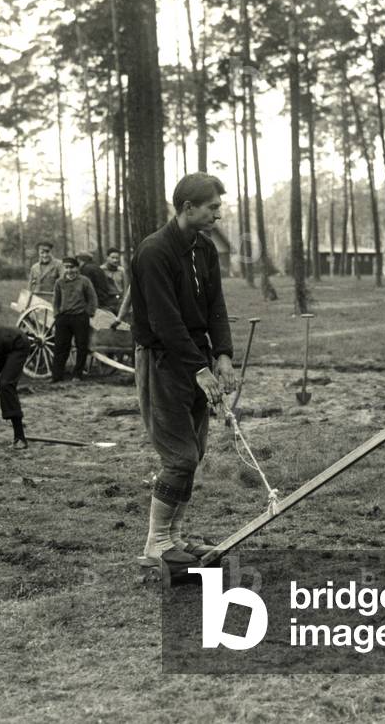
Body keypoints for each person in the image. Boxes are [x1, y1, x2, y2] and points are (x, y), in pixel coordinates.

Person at [131, 172, 237, 567]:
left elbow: (216, 307)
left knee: (195, 450)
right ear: (187, 208)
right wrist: (199, 368)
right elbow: (164, 321)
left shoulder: (204, 249)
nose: (218, 215)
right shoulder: (153, 252)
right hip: (164, 361)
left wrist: (222, 354)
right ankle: (156, 544)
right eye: (212, 208)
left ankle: (173, 538)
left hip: (196, 360)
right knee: (179, 457)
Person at [51, 256, 97, 382]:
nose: (69, 270)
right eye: (66, 267)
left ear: (77, 268)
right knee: (60, 346)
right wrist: (57, 314)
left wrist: (88, 313)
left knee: (81, 346)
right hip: (63, 318)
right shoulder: (59, 283)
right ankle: (57, 375)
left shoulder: (84, 281)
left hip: (80, 318)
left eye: (72, 267)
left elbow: (92, 298)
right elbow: (55, 300)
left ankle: (77, 374)